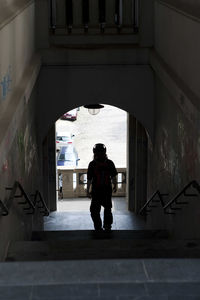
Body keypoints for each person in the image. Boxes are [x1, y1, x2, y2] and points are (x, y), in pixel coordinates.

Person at [87, 143, 117, 231]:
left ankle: (98, 226)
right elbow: (114, 176)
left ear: (94, 153)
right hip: (107, 190)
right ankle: (107, 226)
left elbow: (89, 179)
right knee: (107, 209)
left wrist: (87, 191)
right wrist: (115, 185)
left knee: (94, 211)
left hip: (96, 190)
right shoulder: (109, 163)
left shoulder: (92, 164)